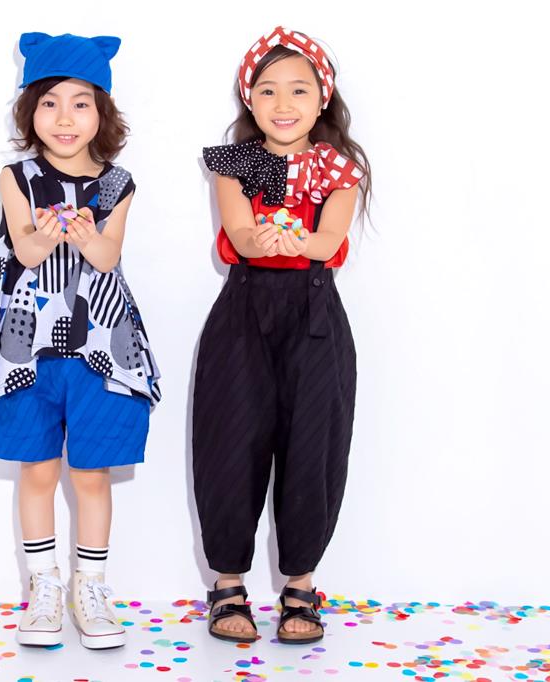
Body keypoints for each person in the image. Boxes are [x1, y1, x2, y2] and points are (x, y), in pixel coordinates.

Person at [0, 31, 160, 650]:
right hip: (27, 349)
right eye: (49, 103)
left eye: (81, 103)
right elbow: (25, 250)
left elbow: (108, 256)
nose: (65, 118)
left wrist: (86, 234)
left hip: (101, 346)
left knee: (92, 475)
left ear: (102, 113)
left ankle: (91, 588)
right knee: (37, 469)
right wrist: (47, 233)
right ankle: (44, 587)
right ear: (29, 111)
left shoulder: (118, 184)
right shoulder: (17, 178)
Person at [192, 26, 371, 645]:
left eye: (299, 89)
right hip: (243, 313)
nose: (283, 103)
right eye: (267, 90)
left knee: (314, 448)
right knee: (229, 442)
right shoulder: (235, 163)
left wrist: (294, 239)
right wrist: (262, 239)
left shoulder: (341, 169)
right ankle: (227, 584)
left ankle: (301, 586)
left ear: (323, 99)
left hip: (315, 317)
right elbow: (241, 235)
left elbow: (328, 241)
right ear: (250, 99)